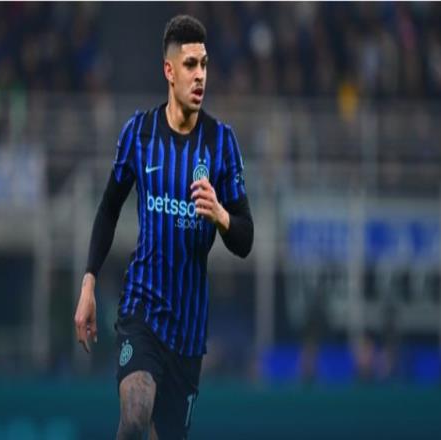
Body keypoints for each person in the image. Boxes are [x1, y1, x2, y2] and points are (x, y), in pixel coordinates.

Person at [74, 14, 253, 439]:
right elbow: (108, 208)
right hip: (142, 311)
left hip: (188, 333)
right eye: (190, 64)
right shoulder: (139, 133)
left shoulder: (222, 143)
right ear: (169, 71)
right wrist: (88, 283)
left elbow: (245, 238)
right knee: (136, 414)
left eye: (204, 64)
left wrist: (222, 216)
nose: (200, 75)